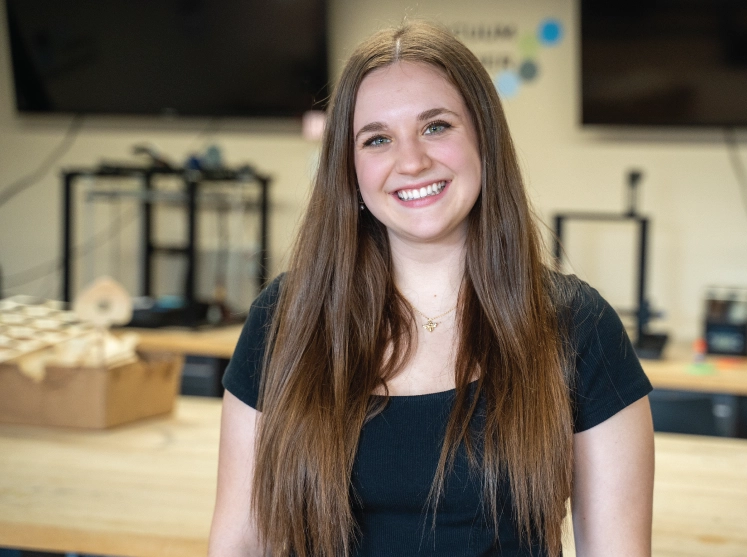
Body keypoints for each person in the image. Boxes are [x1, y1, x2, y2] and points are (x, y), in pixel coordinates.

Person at [209, 21, 654, 557]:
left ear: (484, 139)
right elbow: (239, 543)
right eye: (377, 139)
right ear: (349, 169)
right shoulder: (286, 319)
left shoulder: (579, 327)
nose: (412, 160)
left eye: (436, 127)